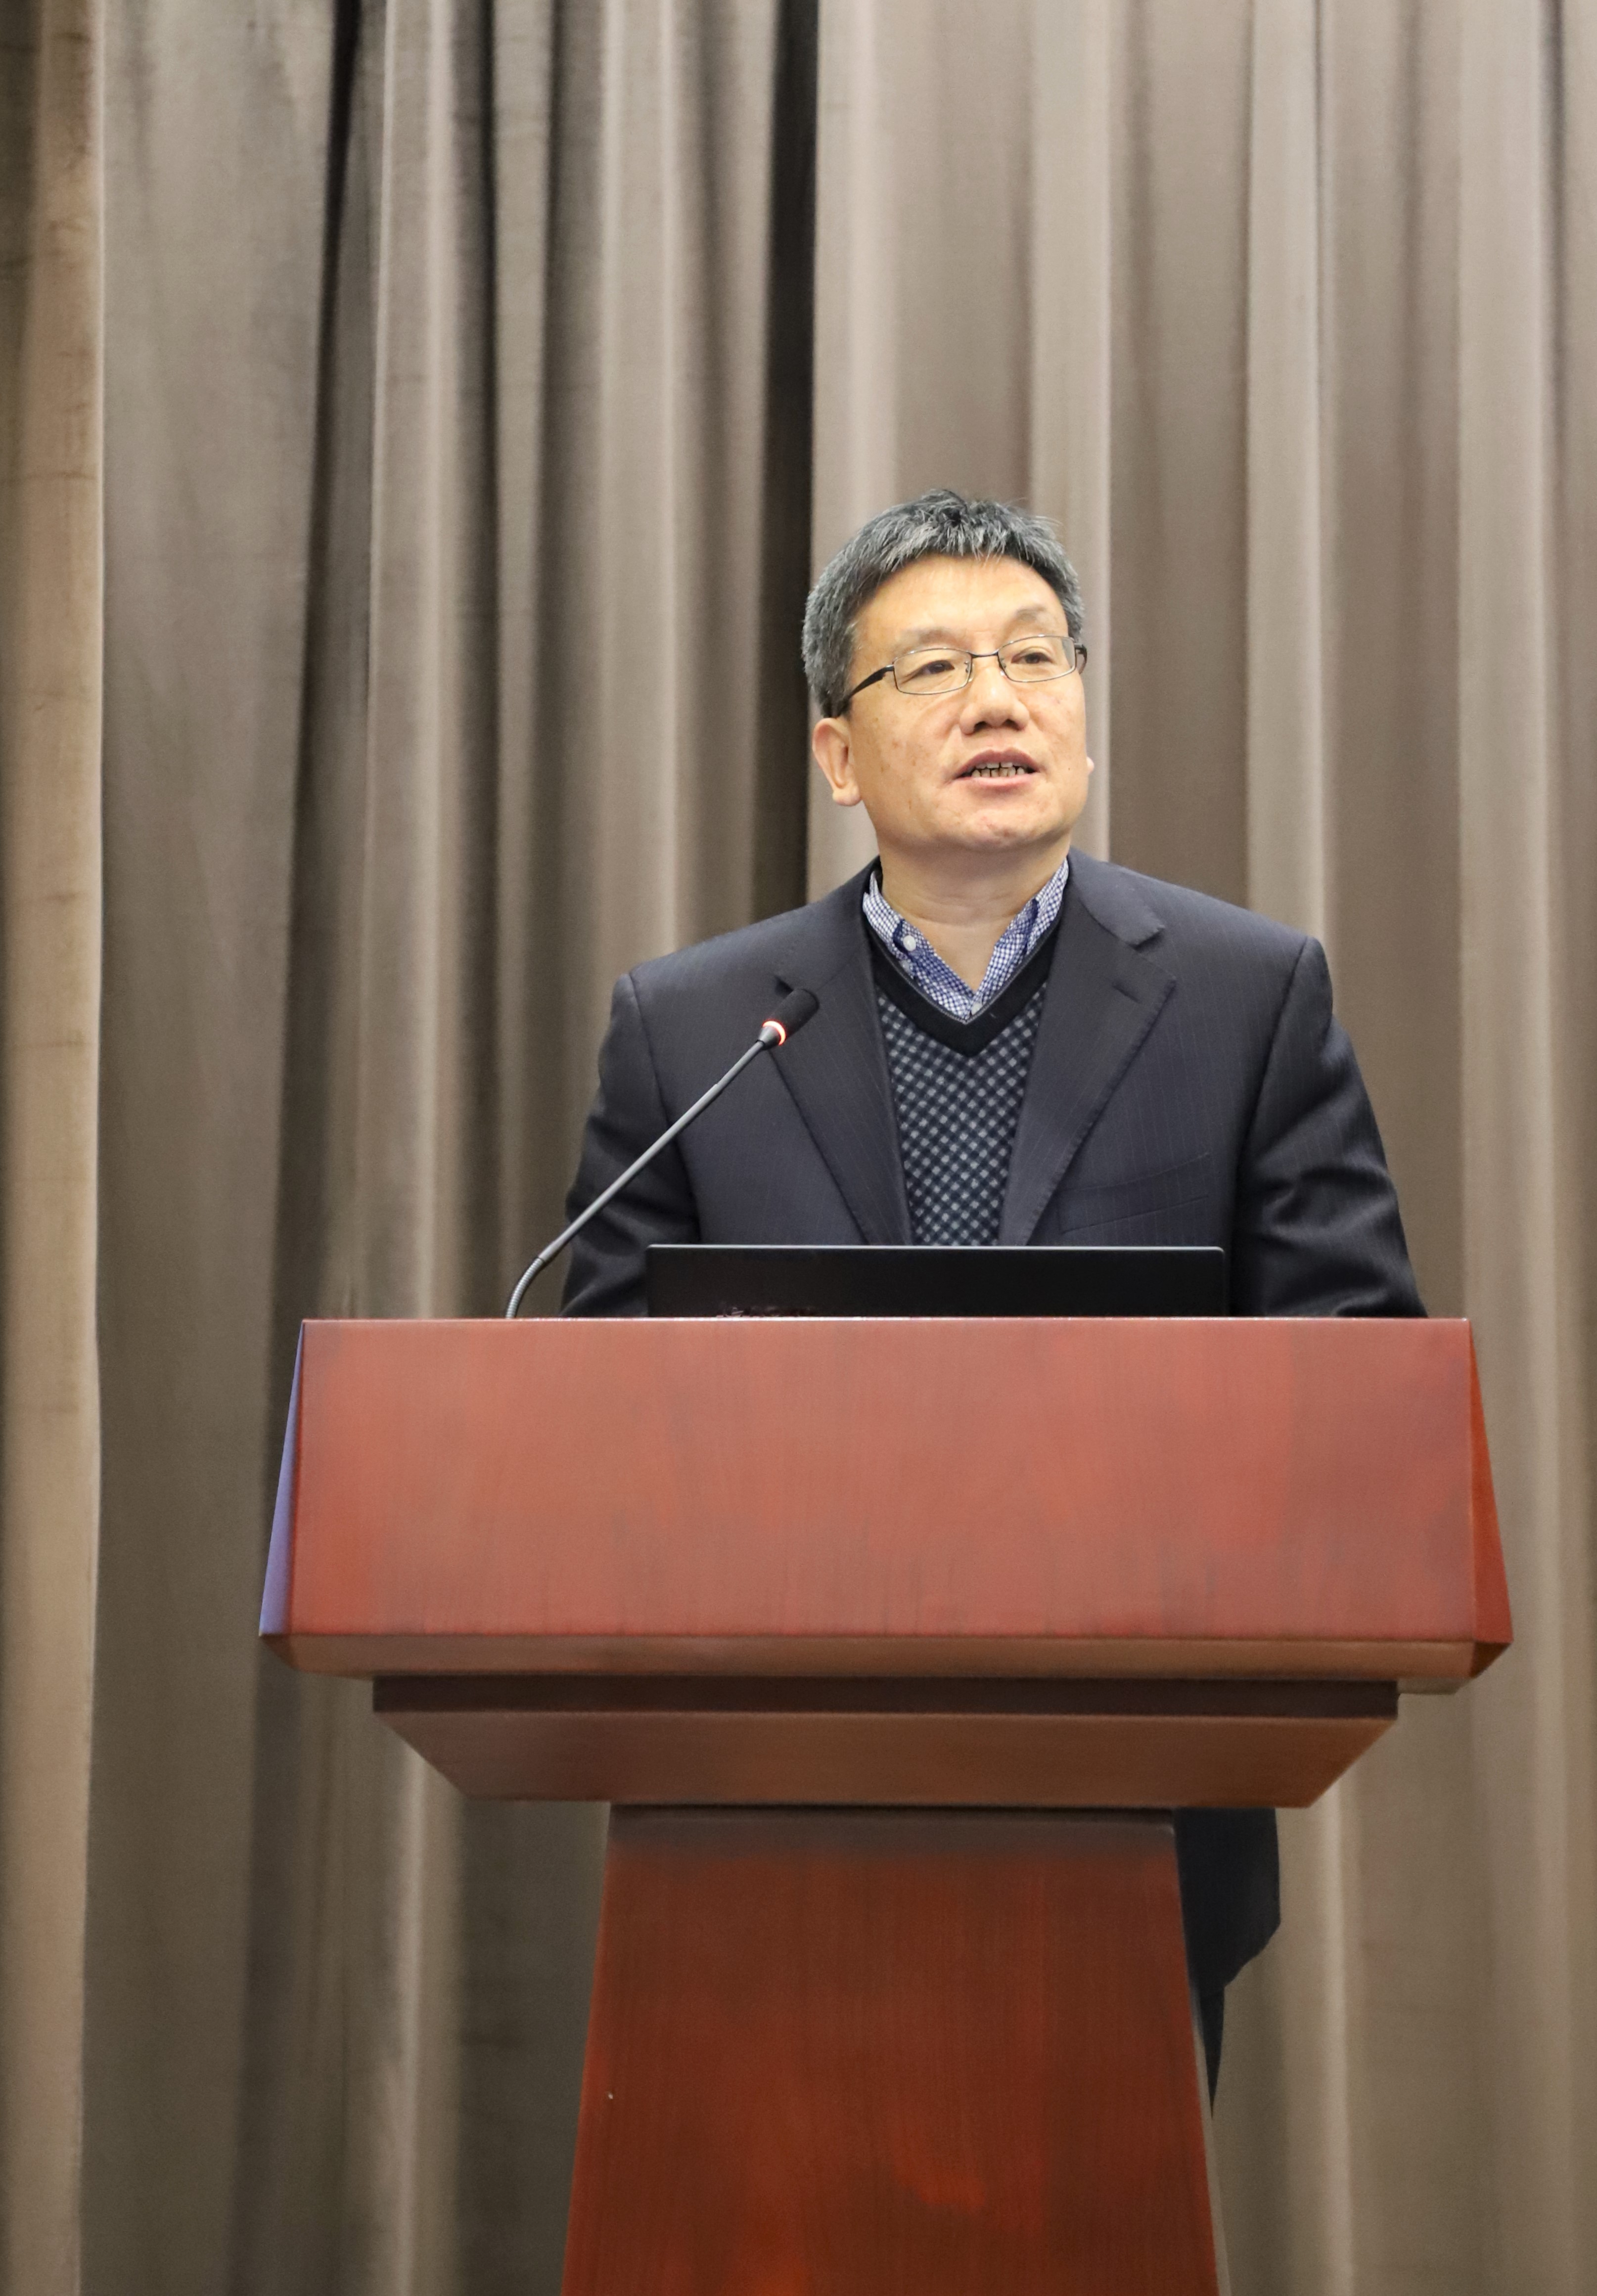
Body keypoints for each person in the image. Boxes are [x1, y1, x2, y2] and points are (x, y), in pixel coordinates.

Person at [562, 488, 1422, 2097]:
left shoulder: (1248, 999)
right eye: (936, 667)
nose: (997, 700)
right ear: (837, 755)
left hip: (1136, 1799)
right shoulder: (691, 1032)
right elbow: (594, 1401)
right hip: (764, 1804)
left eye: (1035, 657)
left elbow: (1354, 1372)